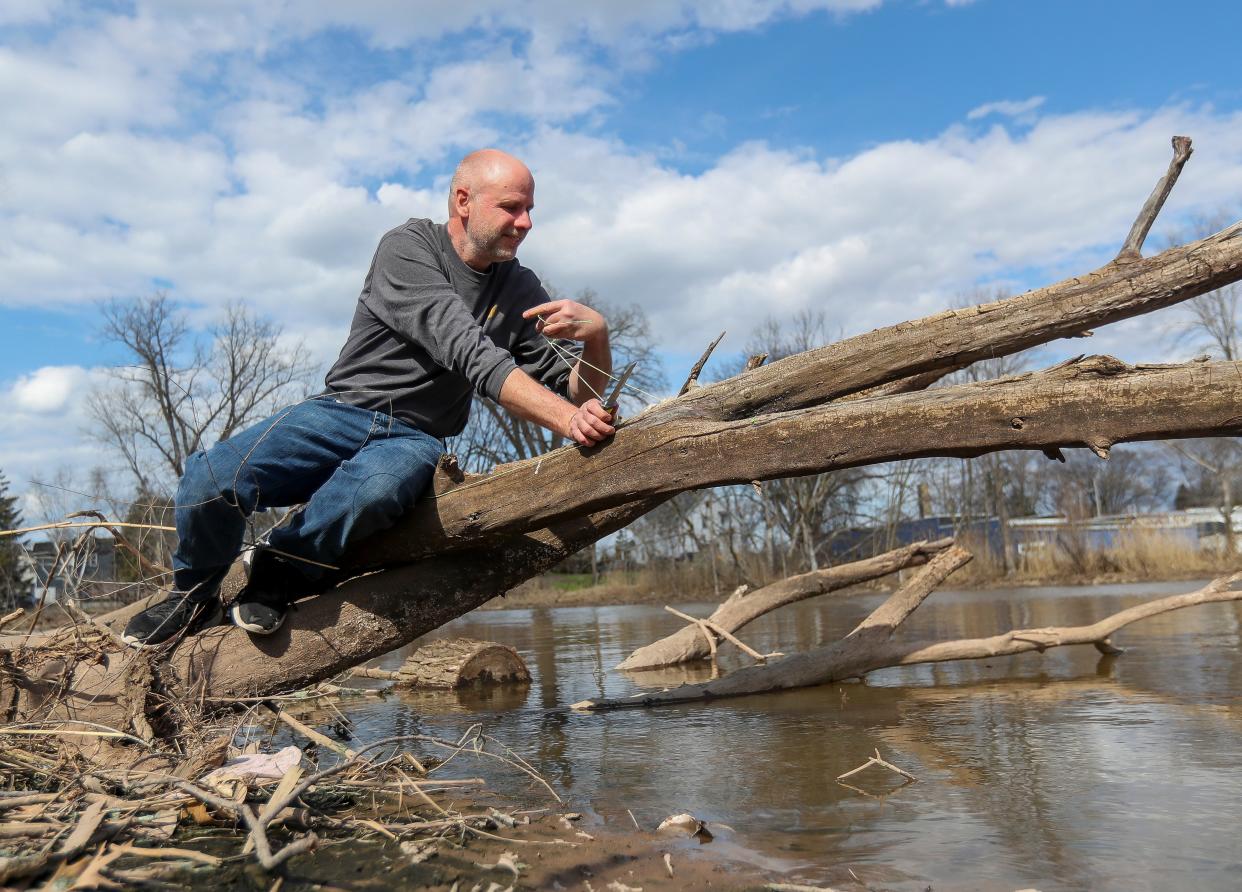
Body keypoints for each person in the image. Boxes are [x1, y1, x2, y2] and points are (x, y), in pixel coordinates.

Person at [123, 149, 615, 647]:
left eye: (530, 209)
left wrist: (597, 338)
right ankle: (192, 598)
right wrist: (571, 421)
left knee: (372, 492)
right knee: (212, 478)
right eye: (511, 207)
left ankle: (276, 572)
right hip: (341, 411)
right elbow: (467, 350)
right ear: (464, 201)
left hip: (415, 439)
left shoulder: (519, 287)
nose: (525, 222)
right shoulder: (408, 246)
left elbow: (571, 387)